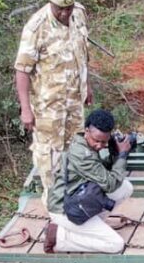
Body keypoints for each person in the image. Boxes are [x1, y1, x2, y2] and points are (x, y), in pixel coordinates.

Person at [15, 0, 92, 200]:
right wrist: (25, 109)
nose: (64, 13)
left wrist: (87, 85)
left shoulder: (79, 14)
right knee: (49, 153)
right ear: (51, 4)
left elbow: (82, 52)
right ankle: (54, 201)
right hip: (49, 106)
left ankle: (75, 193)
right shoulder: (36, 27)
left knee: (76, 146)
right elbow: (22, 70)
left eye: (68, 8)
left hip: (74, 101)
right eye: (59, 8)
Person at [43, 109, 135, 254]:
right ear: (87, 131)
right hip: (65, 210)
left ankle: (90, 226)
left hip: (79, 197)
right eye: (97, 140)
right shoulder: (82, 154)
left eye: (104, 142)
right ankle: (59, 237)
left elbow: (101, 171)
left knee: (125, 187)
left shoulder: (84, 142)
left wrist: (114, 152)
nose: (99, 145)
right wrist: (122, 155)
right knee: (115, 245)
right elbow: (109, 184)